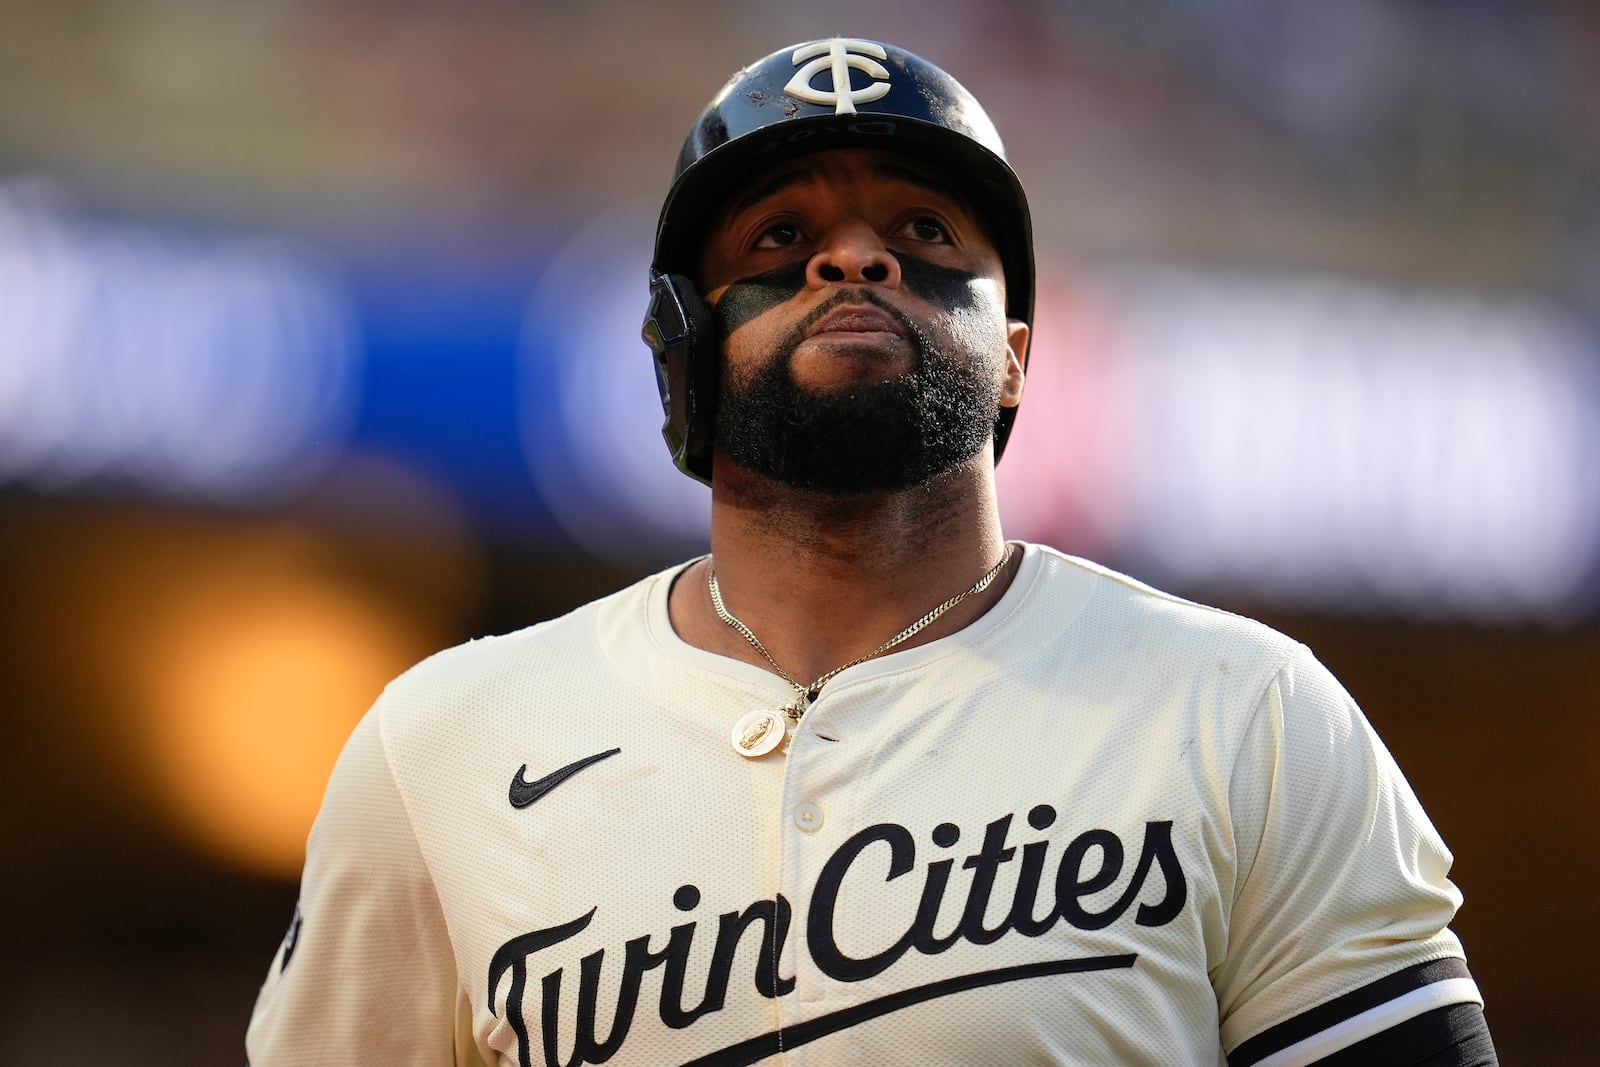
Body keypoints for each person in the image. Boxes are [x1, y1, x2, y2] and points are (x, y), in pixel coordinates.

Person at [246, 38, 1498, 1066]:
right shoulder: (445, 742)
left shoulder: (1250, 715)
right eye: (779, 239)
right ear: (681, 348)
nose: (857, 256)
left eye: (925, 230)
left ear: (1013, 349)